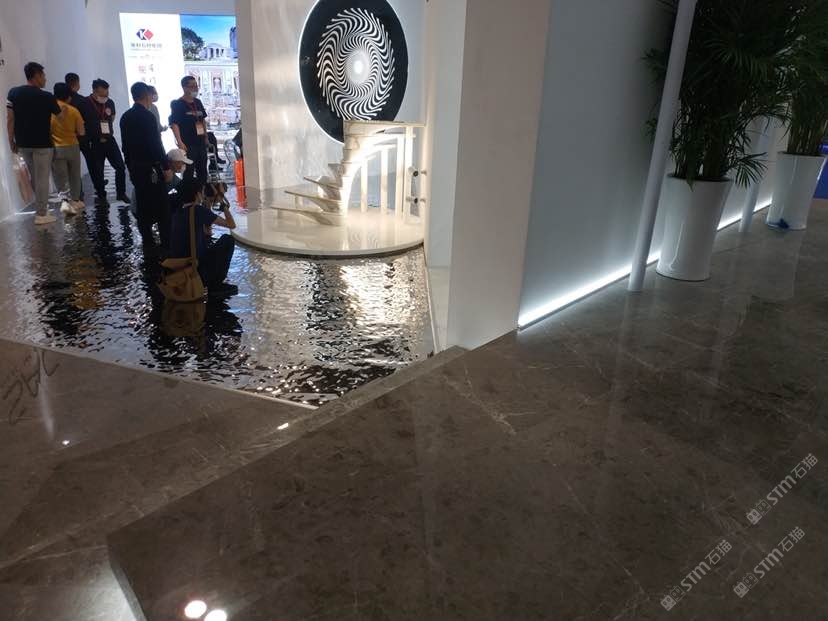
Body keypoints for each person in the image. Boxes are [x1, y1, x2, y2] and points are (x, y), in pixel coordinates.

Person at [120, 81, 173, 253]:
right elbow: (155, 144)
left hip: (136, 167)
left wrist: (130, 166)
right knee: (162, 206)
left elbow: (125, 147)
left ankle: (148, 242)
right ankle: (166, 244)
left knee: (143, 206)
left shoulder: (125, 117)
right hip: (152, 169)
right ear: (147, 95)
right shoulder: (148, 116)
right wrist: (166, 167)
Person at [6, 62, 61, 225]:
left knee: (35, 177)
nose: (45, 79)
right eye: (43, 76)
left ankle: (41, 208)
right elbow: (59, 117)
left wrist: (11, 140)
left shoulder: (13, 93)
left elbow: (10, 119)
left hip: (23, 143)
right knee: (42, 178)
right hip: (43, 143)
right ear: (36, 76)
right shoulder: (47, 96)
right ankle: (41, 214)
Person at [170, 178, 237, 297]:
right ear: (197, 194)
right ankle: (215, 285)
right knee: (227, 240)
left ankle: (209, 280)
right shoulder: (198, 211)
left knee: (208, 242)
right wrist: (221, 202)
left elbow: (207, 232)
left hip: (182, 268)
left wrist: (208, 205)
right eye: (202, 191)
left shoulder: (178, 213)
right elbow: (231, 224)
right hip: (197, 269)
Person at [86, 78, 129, 205]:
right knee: (98, 170)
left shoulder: (109, 102)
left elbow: (112, 117)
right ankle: (101, 195)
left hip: (109, 140)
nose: (105, 96)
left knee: (120, 166)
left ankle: (121, 193)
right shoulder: (85, 103)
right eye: (102, 94)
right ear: (95, 91)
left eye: (107, 93)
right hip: (95, 142)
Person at [50, 82, 86, 216]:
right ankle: (75, 200)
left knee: (60, 176)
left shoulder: (50, 111)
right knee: (75, 175)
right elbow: (81, 131)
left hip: (56, 148)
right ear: (69, 97)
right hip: (73, 146)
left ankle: (64, 201)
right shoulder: (73, 111)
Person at [170, 76, 209, 185]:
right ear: (184, 87)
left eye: (196, 86)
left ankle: (202, 191)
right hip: (188, 143)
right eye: (192, 86)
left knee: (203, 170)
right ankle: (189, 193)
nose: (195, 88)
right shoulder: (178, 104)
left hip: (200, 142)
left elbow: (202, 120)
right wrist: (180, 142)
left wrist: (206, 136)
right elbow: (175, 124)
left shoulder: (198, 102)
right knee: (189, 171)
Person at [65, 72, 94, 201]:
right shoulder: (82, 100)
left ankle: (78, 193)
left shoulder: (59, 102)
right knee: (91, 161)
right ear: (77, 83)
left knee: (73, 169)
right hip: (83, 137)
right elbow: (87, 120)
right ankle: (97, 183)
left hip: (67, 139)